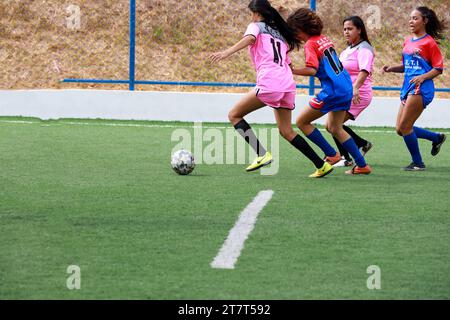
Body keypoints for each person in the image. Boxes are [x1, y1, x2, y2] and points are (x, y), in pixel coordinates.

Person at [210, 0, 333, 178]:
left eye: (251, 13)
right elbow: (286, 61)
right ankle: (321, 165)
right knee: (286, 131)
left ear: (256, 13)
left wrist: (226, 52)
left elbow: (250, 38)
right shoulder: (280, 34)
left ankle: (261, 154)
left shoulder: (256, 26)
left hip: (271, 82)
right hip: (287, 84)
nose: (251, 17)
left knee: (234, 115)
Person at [287, 8, 372, 175]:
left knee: (302, 122)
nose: (294, 34)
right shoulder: (323, 39)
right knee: (335, 127)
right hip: (346, 87)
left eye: (294, 30)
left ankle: (332, 155)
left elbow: (312, 70)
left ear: (300, 28)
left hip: (332, 91)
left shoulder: (310, 44)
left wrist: (293, 70)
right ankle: (362, 165)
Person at [382, 6, 446, 171]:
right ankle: (436, 138)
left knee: (405, 127)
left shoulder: (429, 42)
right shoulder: (408, 41)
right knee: (400, 129)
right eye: (410, 18)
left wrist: (423, 77)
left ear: (425, 21)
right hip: (408, 87)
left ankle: (418, 163)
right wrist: (391, 68)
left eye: (415, 18)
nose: (411, 21)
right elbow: (407, 66)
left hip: (421, 88)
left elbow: (438, 68)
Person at [332, 16, 375, 168]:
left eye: (350, 29)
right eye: (344, 29)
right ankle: (361, 144)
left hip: (358, 94)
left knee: (333, 125)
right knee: (333, 125)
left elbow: (364, 71)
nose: (346, 32)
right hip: (346, 93)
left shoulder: (364, 49)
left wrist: (355, 88)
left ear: (359, 30)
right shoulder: (347, 50)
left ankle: (346, 157)